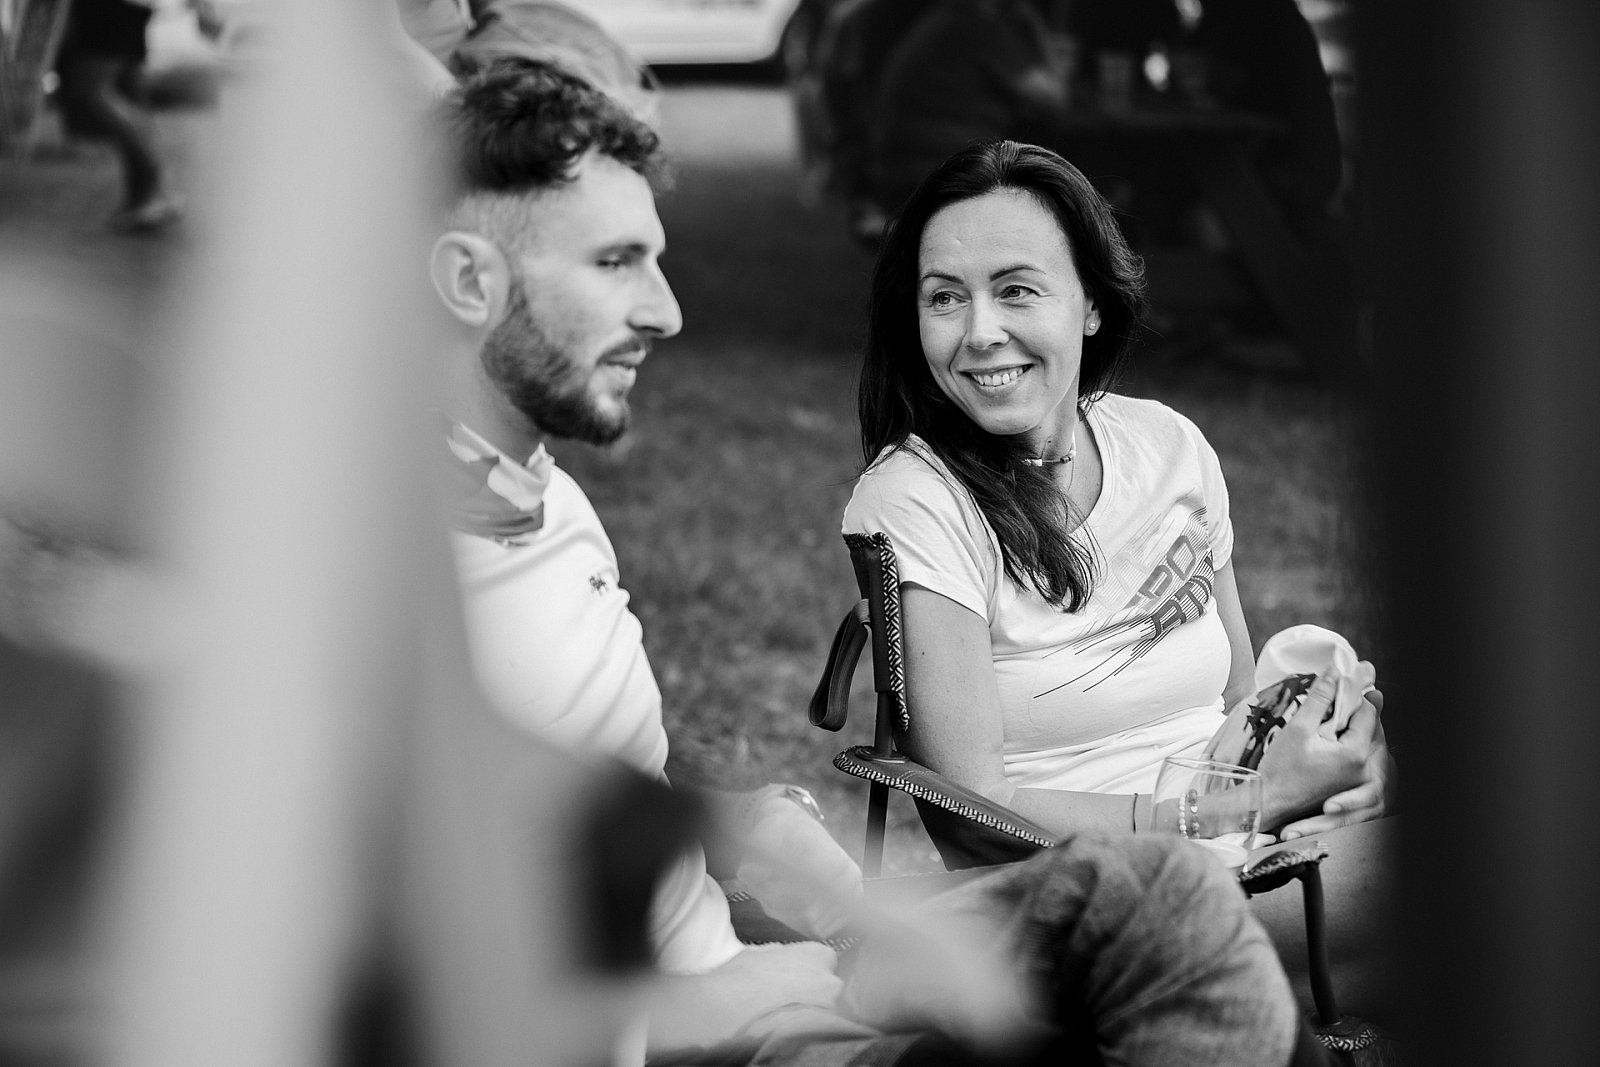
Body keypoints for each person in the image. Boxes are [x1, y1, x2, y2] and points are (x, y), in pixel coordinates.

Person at [428, 57, 1324, 1066]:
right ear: (468, 281)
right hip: (724, 1028)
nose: (667, 310)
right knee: (1179, 937)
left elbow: (595, 760)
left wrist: (747, 824)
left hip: (785, 965)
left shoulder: (549, 505)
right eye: (614, 262)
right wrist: (704, 1002)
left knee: (1164, 898)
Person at [841, 138, 1394, 1014]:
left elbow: (1238, 697)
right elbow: (975, 805)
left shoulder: (1168, 446)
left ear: (1092, 304)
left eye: (1016, 289)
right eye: (944, 296)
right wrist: (1217, 816)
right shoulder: (917, 500)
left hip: (1247, 844)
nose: (979, 331)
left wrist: (1335, 773)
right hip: (1092, 886)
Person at [53, 0, 182, 232]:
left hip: (109, 6)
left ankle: (159, 188)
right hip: (133, 6)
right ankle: (144, 198)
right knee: (128, 92)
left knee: (91, 90)